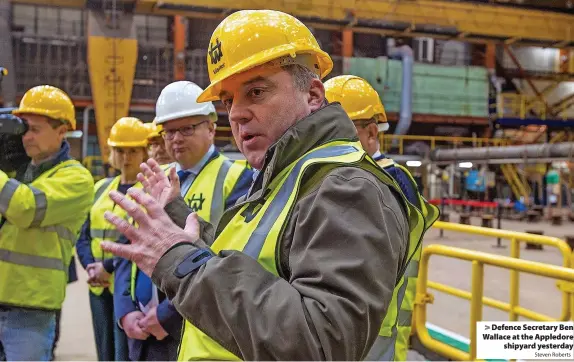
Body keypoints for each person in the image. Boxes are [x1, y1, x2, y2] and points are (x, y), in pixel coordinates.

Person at [101, 9, 427, 361]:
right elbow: (258, 264)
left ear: (314, 95)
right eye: (229, 101)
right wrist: (179, 221)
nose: (237, 113)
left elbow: (321, 341)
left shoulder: (347, 187)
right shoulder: (286, 175)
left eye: (256, 91)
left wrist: (180, 262)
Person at [113, 81, 254, 361]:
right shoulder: (154, 179)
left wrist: (165, 317)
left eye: (187, 128)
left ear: (211, 128)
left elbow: (230, 257)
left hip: (191, 326)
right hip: (139, 330)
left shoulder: (237, 179)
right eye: (168, 131)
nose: (175, 139)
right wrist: (124, 310)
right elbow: (126, 245)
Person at [324, 74, 440, 360]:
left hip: (380, 324)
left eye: (338, 132)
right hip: (345, 318)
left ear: (372, 134)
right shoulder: (332, 174)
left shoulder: (393, 180)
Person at [0, 85, 94, 361]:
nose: (26, 137)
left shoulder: (76, 179)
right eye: (23, 129)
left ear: (62, 131)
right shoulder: (15, 170)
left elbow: (25, 207)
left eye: (35, 129)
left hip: (30, 311)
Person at [76, 117, 149, 361]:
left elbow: (138, 238)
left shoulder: (148, 192)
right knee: (103, 350)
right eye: (120, 151)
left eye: (133, 151)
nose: (126, 157)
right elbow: (83, 233)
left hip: (126, 286)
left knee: (123, 353)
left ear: (144, 152)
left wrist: (106, 268)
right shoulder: (101, 188)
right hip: (98, 285)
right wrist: (91, 266)